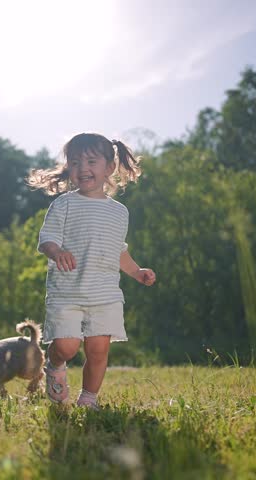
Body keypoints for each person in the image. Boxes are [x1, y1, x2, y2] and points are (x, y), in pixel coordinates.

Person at [27, 132, 156, 408]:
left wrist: (137, 272)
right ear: (68, 168)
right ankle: (55, 363)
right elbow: (46, 239)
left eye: (91, 161)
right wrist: (57, 252)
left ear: (109, 167)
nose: (82, 168)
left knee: (98, 351)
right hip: (68, 292)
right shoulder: (64, 204)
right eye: (75, 162)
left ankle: (88, 399)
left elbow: (118, 250)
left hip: (105, 293)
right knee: (67, 347)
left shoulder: (119, 212)